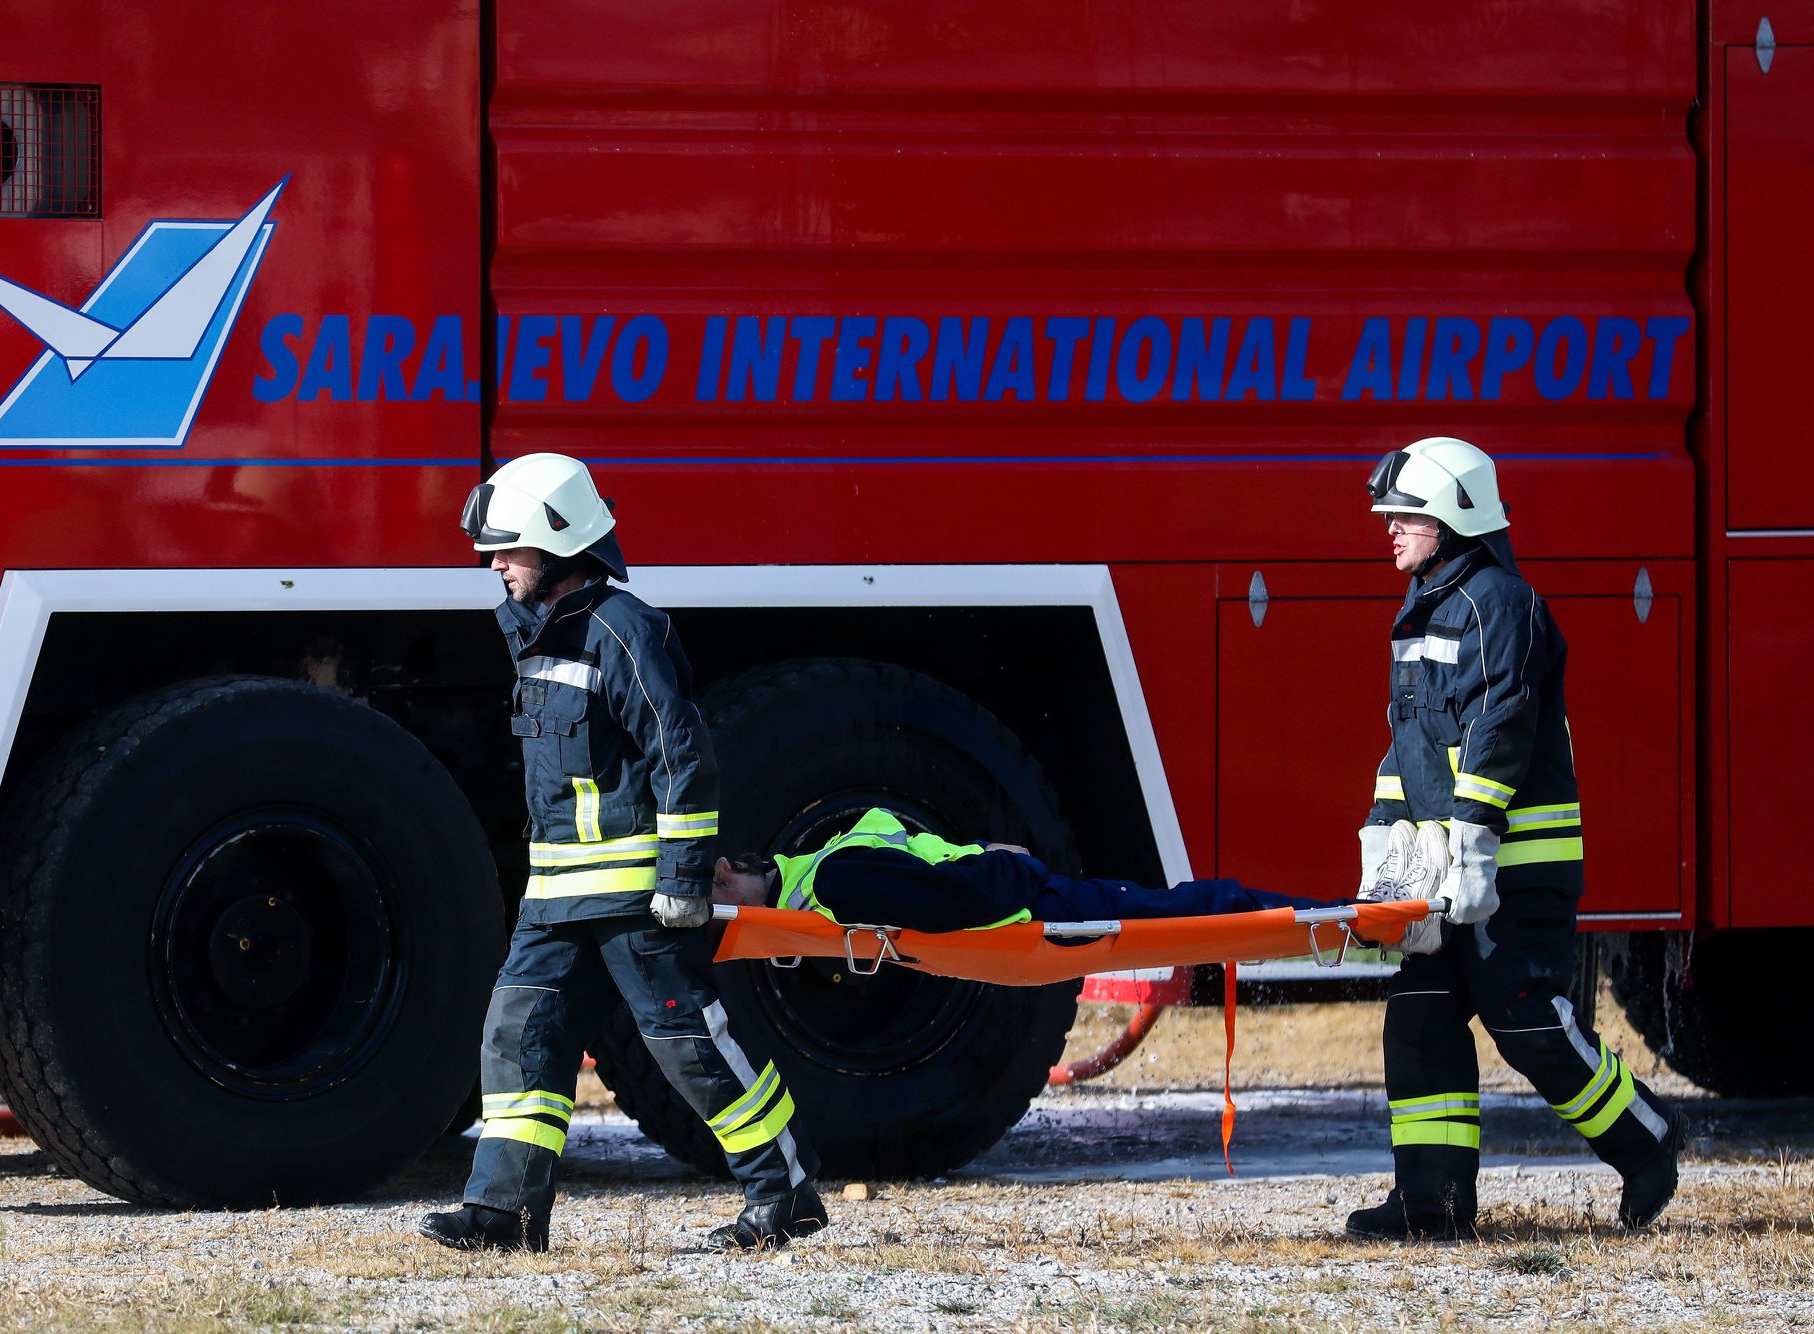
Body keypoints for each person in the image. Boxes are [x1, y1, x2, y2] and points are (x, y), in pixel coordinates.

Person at [419, 453, 823, 1254]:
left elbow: (682, 756)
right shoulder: (535, 636)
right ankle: (507, 1215)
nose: (493, 565)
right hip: (557, 900)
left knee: (689, 1045)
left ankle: (785, 1196)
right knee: (518, 1037)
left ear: (560, 544)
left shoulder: (623, 630)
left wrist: (679, 881)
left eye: (509, 550)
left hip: (638, 898)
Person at [1347, 437, 1684, 1241]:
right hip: (1446, 870)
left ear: (1454, 516)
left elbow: (1501, 731)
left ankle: (1648, 1142)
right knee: (1420, 1017)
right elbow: (1410, 743)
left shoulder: (1501, 604)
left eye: (1406, 515)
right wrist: (1385, 841)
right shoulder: (1423, 607)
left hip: (1514, 865)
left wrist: (1470, 840)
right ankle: (1433, 1205)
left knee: (1527, 1020)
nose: (1389, 528)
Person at [709, 806, 1352, 929]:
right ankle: (1318, 912)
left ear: (727, 869)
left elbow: (951, 903)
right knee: (1170, 904)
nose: (729, 910)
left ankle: (1324, 916)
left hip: (1028, 903)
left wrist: (1008, 869)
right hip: (1020, 893)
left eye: (720, 896)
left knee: (1178, 910)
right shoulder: (818, 876)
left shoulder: (830, 880)